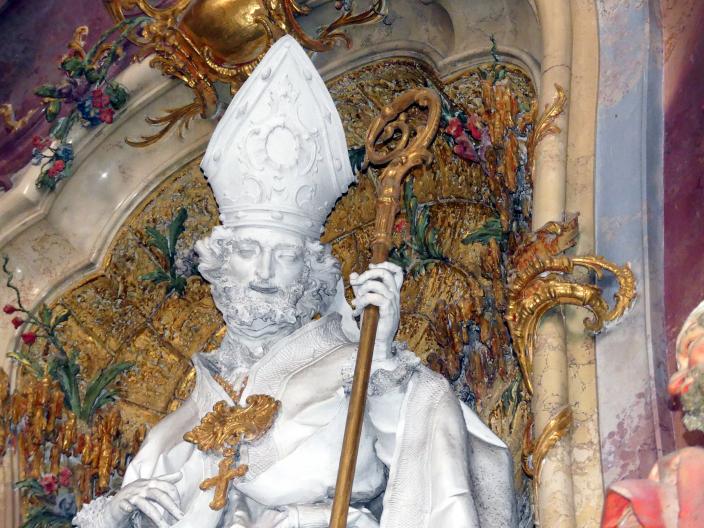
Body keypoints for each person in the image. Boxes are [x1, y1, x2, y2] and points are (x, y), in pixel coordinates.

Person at [73, 35, 517, 528]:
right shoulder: (190, 413)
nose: (263, 273)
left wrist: (383, 360)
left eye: (284, 257)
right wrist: (118, 512)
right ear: (219, 266)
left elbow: (432, 452)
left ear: (309, 276)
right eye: (247, 252)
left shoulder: (358, 360)